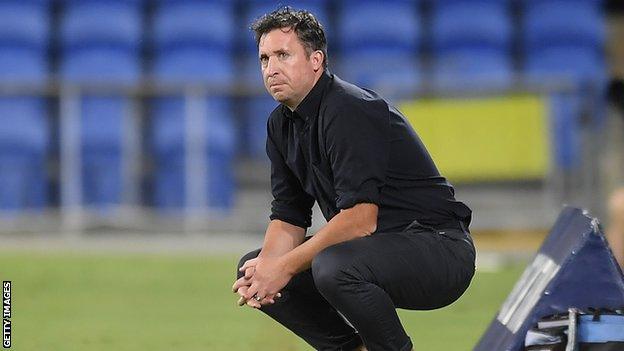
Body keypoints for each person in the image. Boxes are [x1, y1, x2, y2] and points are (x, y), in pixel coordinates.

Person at [232, 7, 476, 351]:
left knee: (333, 265)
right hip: (376, 249)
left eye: (283, 55)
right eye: (264, 59)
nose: (271, 68)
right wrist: (268, 272)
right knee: (253, 267)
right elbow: (288, 214)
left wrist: (283, 267)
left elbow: (360, 221)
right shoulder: (280, 124)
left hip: (438, 248)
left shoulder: (348, 109)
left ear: (316, 60)